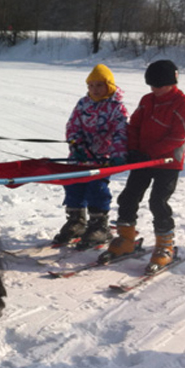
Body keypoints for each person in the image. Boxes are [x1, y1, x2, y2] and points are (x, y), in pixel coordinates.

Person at [102, 60, 185, 273]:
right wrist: (133, 149)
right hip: (143, 160)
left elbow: (179, 135)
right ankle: (126, 239)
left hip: (168, 162)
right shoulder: (147, 100)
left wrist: (150, 153)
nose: (155, 90)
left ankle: (165, 246)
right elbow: (134, 126)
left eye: (159, 86)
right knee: (128, 197)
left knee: (158, 202)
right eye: (152, 85)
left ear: (172, 82)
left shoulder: (183, 103)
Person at [53, 64, 129, 248]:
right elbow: (72, 125)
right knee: (73, 185)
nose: (94, 90)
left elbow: (121, 132)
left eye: (99, 85)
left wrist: (119, 154)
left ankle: (99, 224)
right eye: (91, 85)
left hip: (102, 157)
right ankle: (76, 221)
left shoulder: (116, 107)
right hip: (78, 156)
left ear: (109, 86)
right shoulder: (83, 103)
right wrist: (75, 143)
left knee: (96, 188)